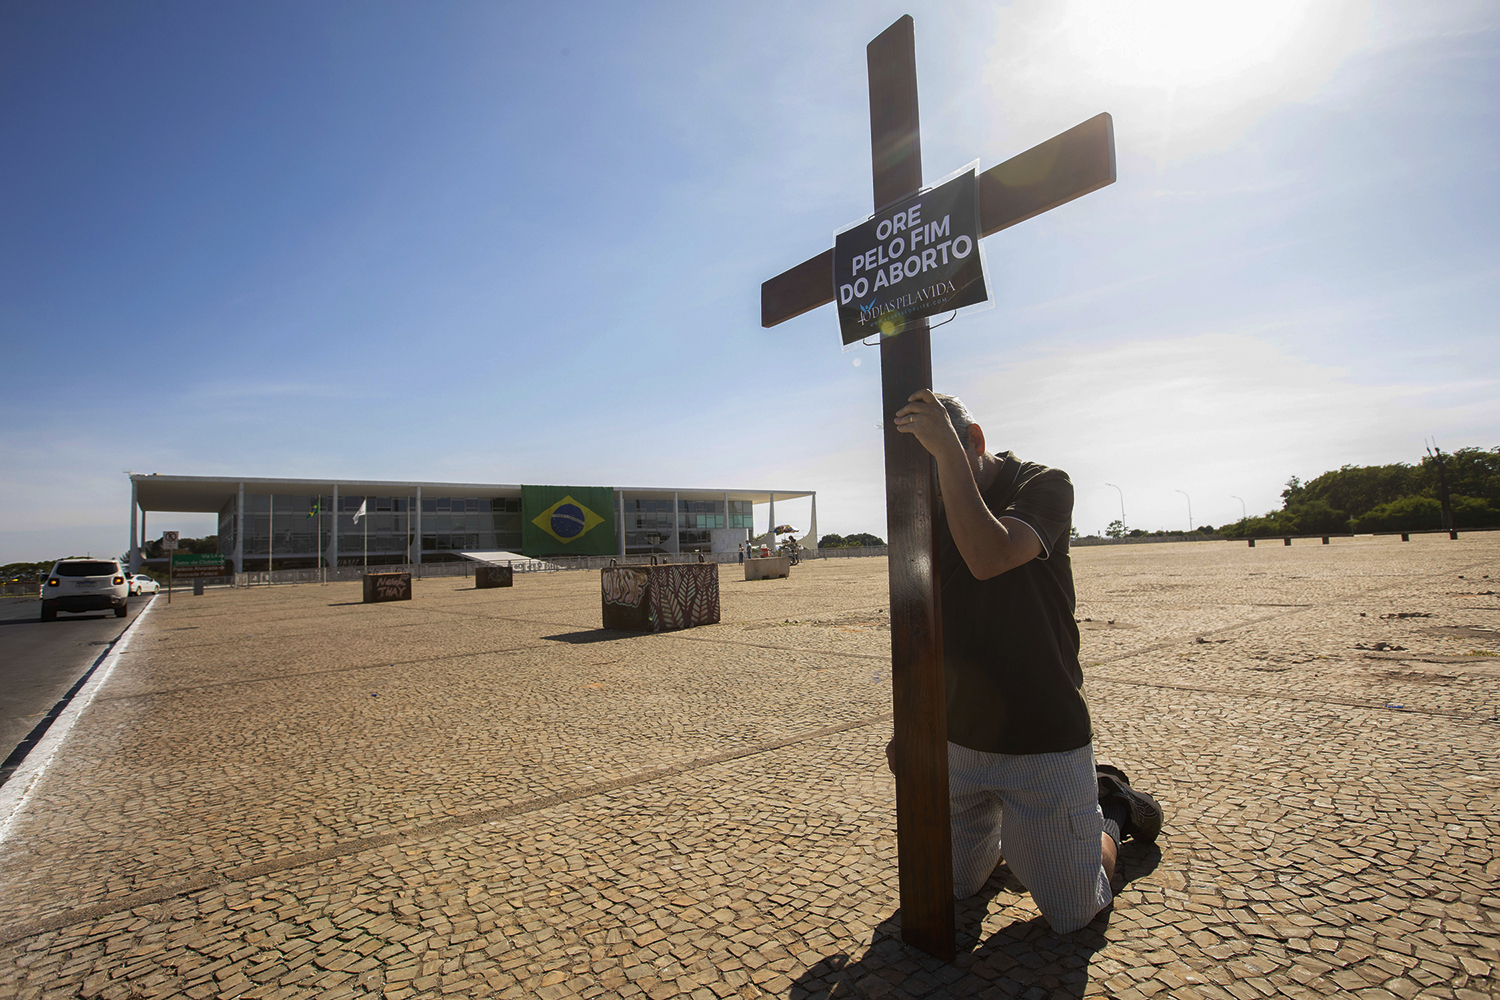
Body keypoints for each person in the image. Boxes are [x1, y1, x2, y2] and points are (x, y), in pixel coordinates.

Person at [889, 388, 1162, 934]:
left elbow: (990, 556)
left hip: (1042, 733)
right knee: (954, 887)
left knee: (1075, 912)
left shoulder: (1044, 483)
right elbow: (920, 625)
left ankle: (1110, 807)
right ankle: (1020, 835)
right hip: (958, 738)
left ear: (975, 440)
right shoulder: (928, 507)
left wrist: (945, 456)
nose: (935, 485)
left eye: (942, 458)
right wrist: (909, 724)